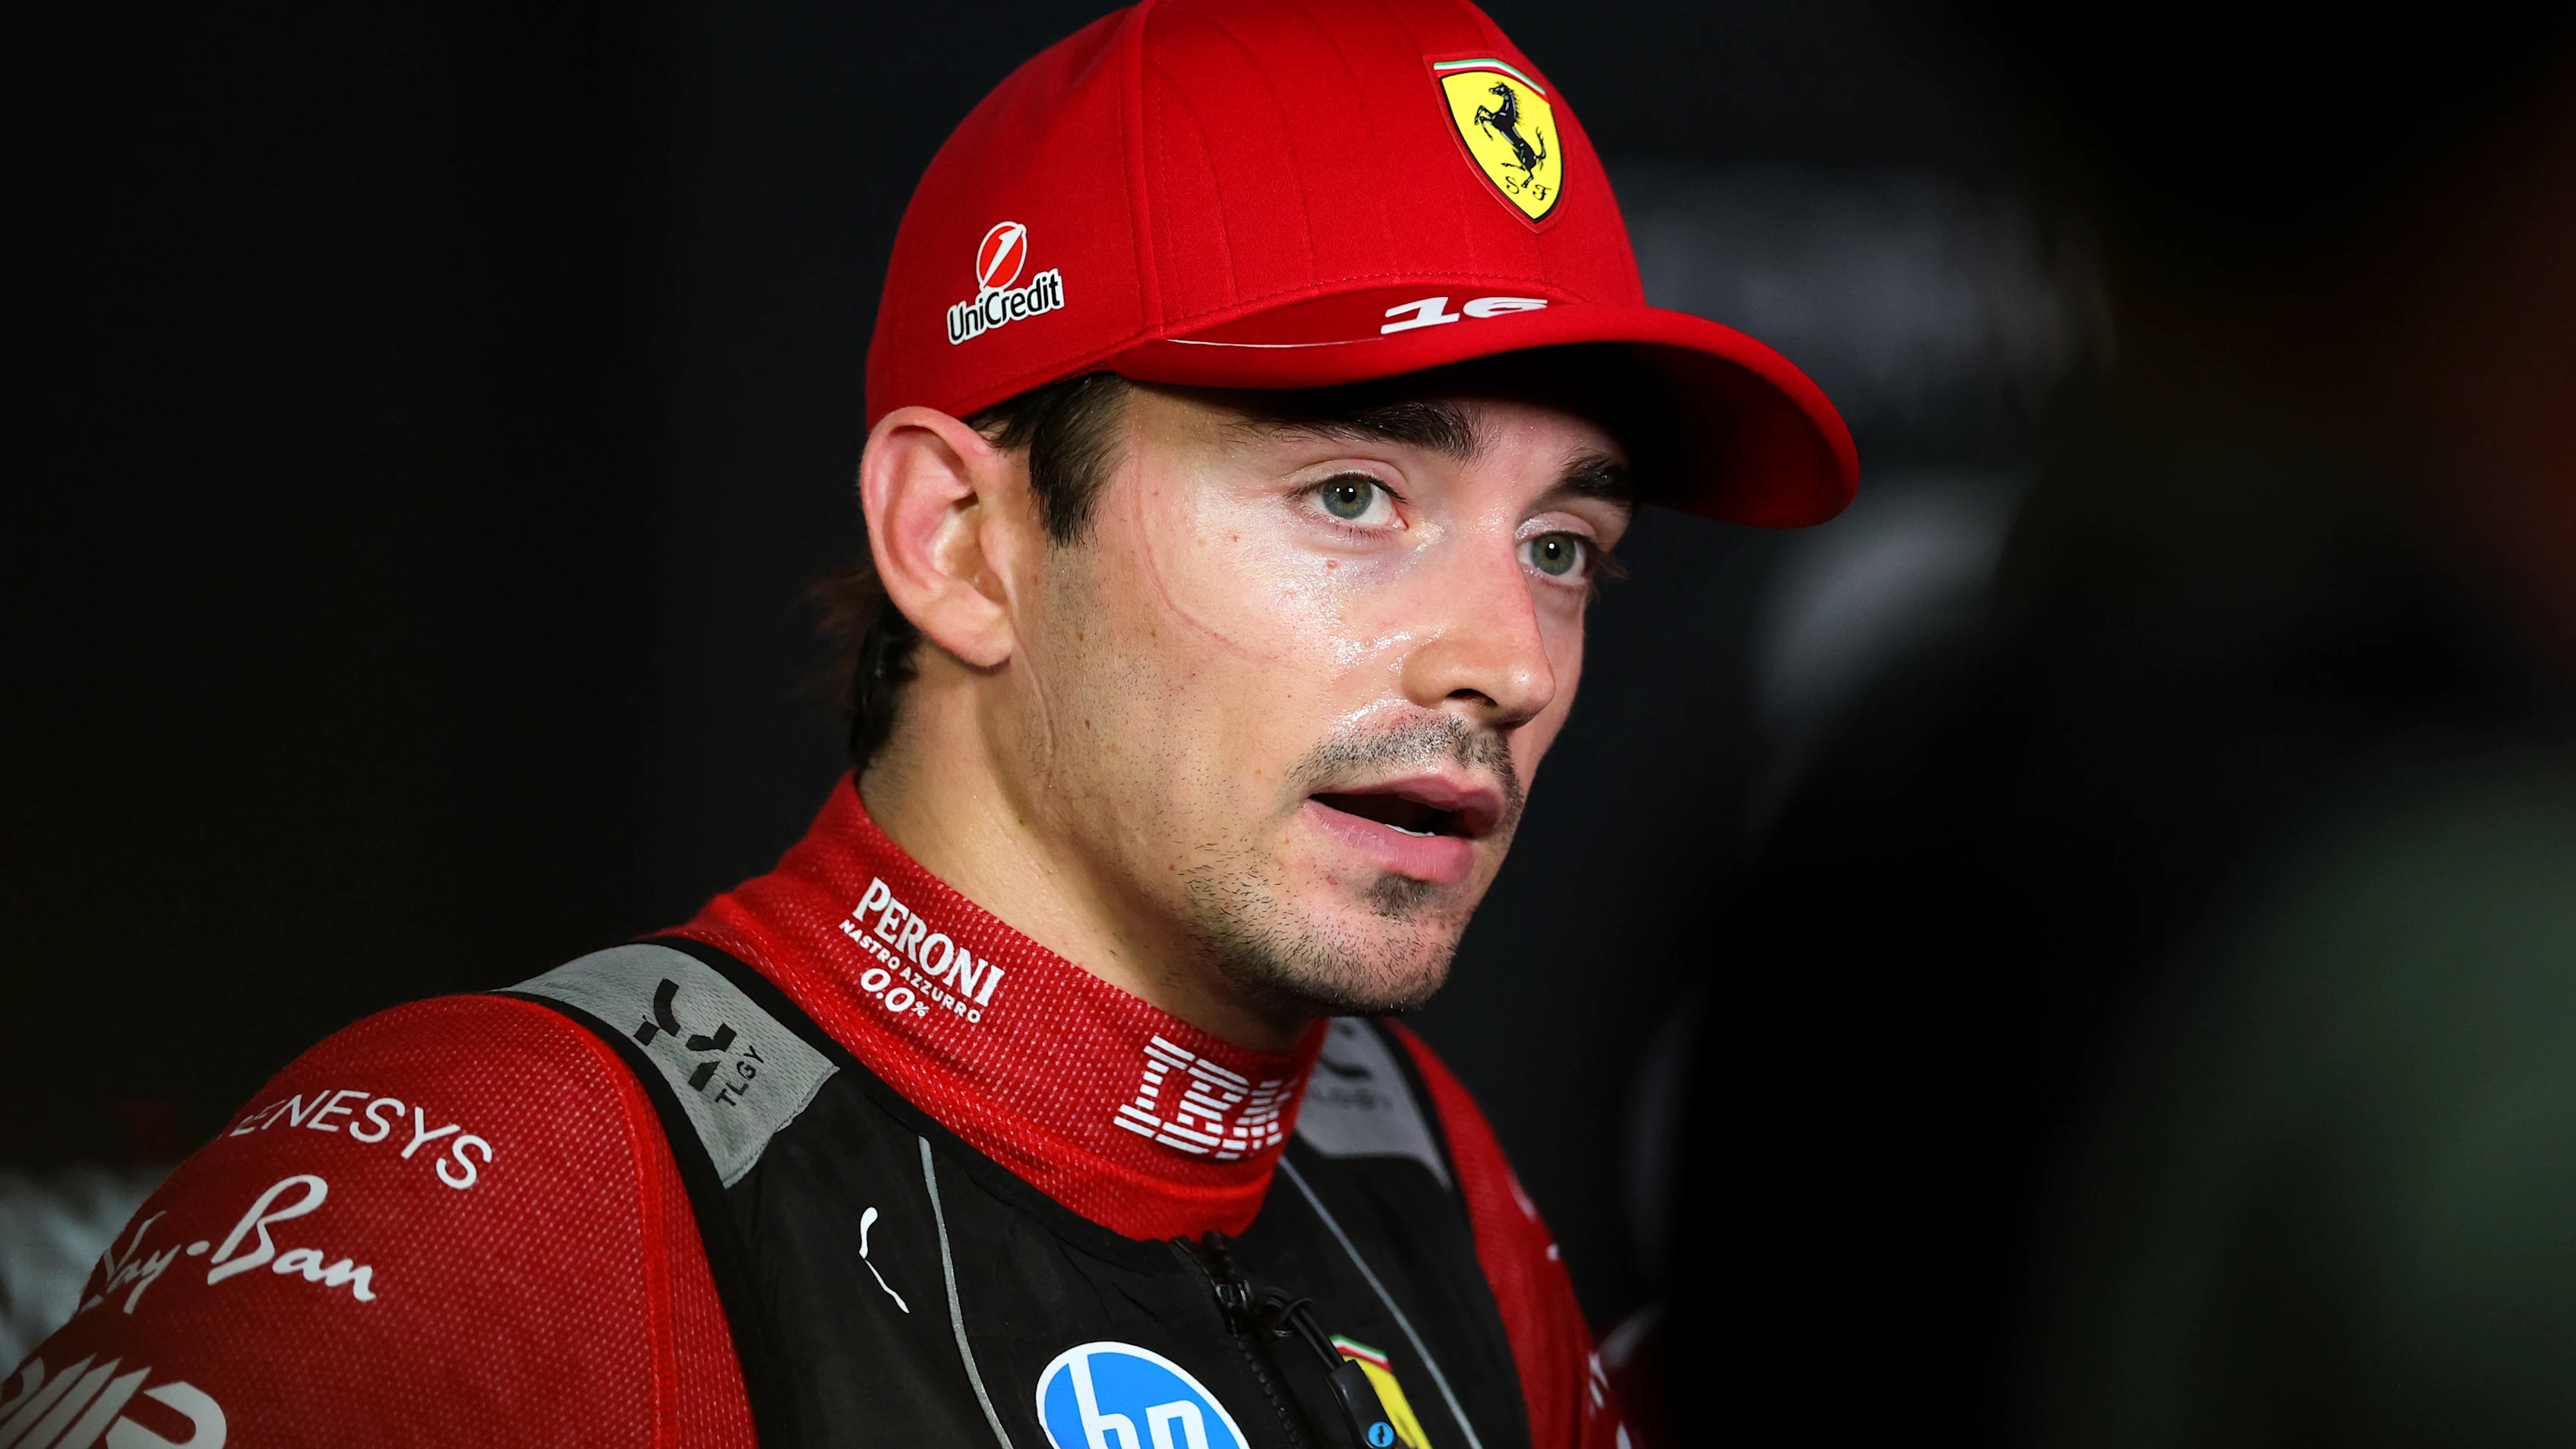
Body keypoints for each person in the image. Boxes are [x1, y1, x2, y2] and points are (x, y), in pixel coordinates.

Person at [5, 2, 1852, 1446]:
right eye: (1353, 496)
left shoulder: (1409, 1159)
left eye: (1562, 543)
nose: (1509, 661)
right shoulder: (494, 1188)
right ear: (959, 540)